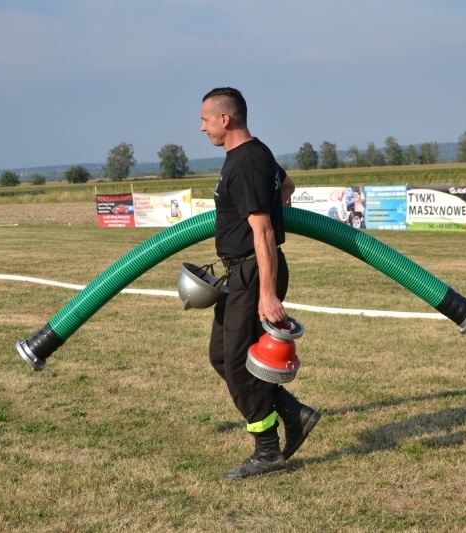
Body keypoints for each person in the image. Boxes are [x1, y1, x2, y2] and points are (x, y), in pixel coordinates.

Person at [200, 87, 321, 479]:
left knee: (238, 366)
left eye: (205, 120)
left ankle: (267, 452)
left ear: (225, 119)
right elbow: (288, 186)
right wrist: (277, 200)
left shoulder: (246, 162)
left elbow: (264, 232)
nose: (201, 128)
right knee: (222, 355)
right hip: (241, 273)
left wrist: (266, 294)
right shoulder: (256, 154)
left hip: (254, 272)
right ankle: (291, 411)